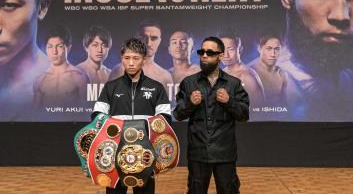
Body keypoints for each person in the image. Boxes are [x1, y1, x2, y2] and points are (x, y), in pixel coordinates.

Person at [92, 37, 172, 194]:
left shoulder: (156, 88)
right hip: (115, 154)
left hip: (145, 155)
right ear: (122, 58)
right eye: (127, 58)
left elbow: (165, 120)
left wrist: (143, 133)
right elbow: (97, 116)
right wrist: (114, 130)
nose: (131, 63)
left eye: (136, 58)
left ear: (144, 59)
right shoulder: (110, 87)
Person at [174, 36, 249, 194]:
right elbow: (178, 114)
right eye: (202, 52)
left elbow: (244, 115)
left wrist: (229, 102)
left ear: (220, 56)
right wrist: (190, 103)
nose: (204, 55)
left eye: (210, 52)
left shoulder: (233, 84)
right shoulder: (188, 83)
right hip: (198, 153)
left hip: (225, 154)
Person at [33, 26, 89, 120]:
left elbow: (88, 112)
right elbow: (34, 115)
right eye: (50, 47)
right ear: (46, 49)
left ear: (68, 48)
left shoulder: (80, 77)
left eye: (59, 46)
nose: (54, 52)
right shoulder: (40, 80)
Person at [109, 20, 173, 87]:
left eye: (154, 38)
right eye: (144, 37)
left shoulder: (165, 77)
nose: (148, 43)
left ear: (159, 41)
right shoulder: (121, 70)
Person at [219, 32, 265, 107]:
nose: (226, 55)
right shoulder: (221, 73)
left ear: (240, 50)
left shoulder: (248, 77)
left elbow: (259, 112)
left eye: (231, 49)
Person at [249, 33, 287, 120]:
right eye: (268, 49)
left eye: (277, 49)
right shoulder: (248, 73)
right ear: (259, 48)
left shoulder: (281, 74)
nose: (273, 54)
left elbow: (285, 108)